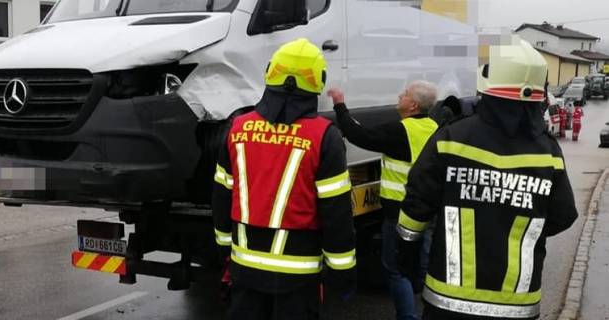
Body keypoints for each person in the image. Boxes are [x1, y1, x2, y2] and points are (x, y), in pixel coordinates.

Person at [396, 39, 578, 320]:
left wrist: (406, 259)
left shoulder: (452, 137)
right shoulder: (548, 151)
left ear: (488, 82)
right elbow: (563, 215)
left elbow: (415, 206)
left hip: (448, 300)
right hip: (517, 303)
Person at [212, 38, 357, 320]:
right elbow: (336, 211)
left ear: (270, 72)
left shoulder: (238, 127)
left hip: (244, 269)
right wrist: (342, 271)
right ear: (318, 80)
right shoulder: (324, 136)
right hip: (298, 278)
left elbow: (221, 194)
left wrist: (223, 249)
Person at [329, 80, 440, 320]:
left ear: (413, 105)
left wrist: (339, 104)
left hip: (400, 213)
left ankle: (408, 317)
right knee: (422, 264)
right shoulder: (435, 128)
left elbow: (358, 134)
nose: (400, 96)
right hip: (428, 209)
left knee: (396, 269)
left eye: (405, 94)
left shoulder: (400, 131)